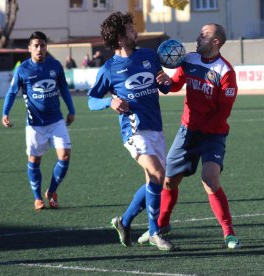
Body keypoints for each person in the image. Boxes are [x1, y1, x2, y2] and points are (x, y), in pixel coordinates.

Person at [138, 23, 241, 249]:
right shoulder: (190, 60)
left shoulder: (226, 72)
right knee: (168, 181)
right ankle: (161, 226)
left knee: (210, 179)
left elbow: (223, 112)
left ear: (216, 42)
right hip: (187, 131)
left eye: (203, 35)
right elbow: (175, 85)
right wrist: (164, 81)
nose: (197, 38)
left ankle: (228, 233)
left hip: (213, 134)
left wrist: (201, 132)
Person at [87, 11, 174, 251]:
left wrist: (166, 82)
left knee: (155, 181)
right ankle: (155, 232)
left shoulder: (149, 56)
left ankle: (124, 222)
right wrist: (109, 102)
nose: (136, 32)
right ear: (120, 37)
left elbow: (163, 86)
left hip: (155, 127)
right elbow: (91, 100)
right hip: (133, 131)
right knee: (157, 173)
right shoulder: (109, 69)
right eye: (130, 29)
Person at [2, 31, 76, 211]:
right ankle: (37, 198)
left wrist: (71, 110)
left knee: (65, 156)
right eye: (36, 45)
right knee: (34, 160)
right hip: (35, 125)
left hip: (56, 121)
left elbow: (64, 88)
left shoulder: (55, 65)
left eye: (42, 45)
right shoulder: (23, 69)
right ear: (29, 48)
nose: (39, 49)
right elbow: (12, 93)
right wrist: (5, 112)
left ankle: (51, 191)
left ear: (46, 47)